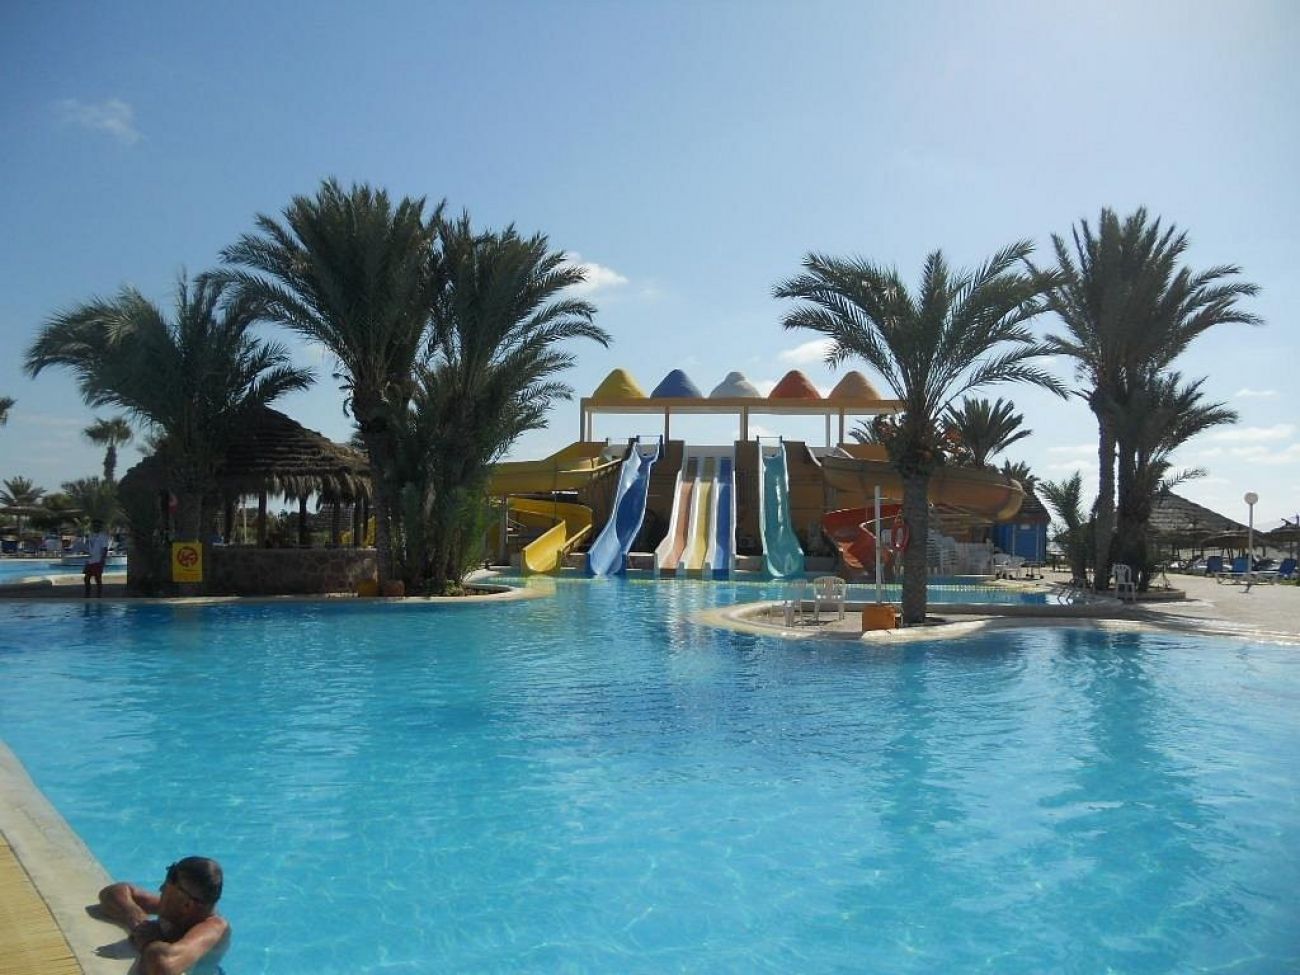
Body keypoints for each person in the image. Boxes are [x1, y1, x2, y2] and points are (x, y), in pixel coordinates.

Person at [98, 857, 230, 975]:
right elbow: (113, 893)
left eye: (166, 887)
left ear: (187, 905)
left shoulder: (214, 928)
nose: (160, 889)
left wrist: (150, 941)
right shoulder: (179, 910)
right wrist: (136, 917)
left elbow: (163, 965)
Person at [84, 519, 111, 598]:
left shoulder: (103, 536)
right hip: (90, 560)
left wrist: (102, 560)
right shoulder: (90, 535)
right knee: (86, 578)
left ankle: (99, 595)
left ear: (100, 527)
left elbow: (105, 549)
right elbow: (88, 546)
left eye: (97, 526)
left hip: (98, 560)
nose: (95, 527)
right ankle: (87, 594)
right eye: (94, 526)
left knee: (97, 578)